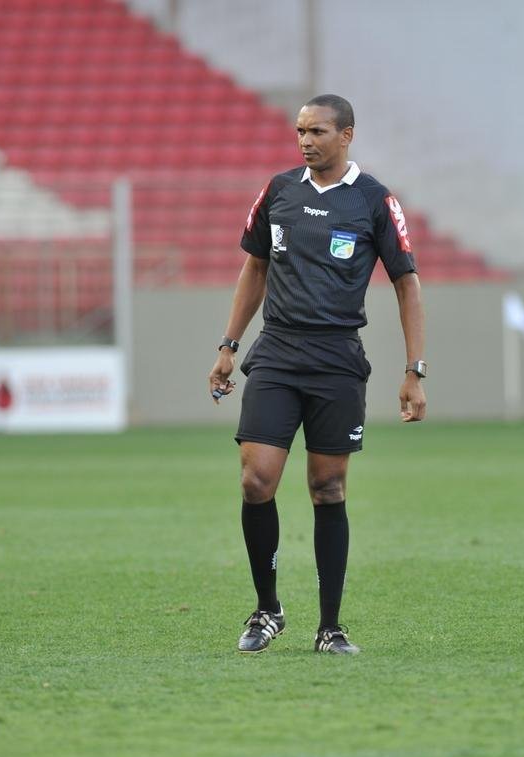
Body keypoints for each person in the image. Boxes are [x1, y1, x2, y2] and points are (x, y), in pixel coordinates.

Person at [207, 94, 428, 656]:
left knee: (327, 488)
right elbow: (255, 266)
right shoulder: (278, 191)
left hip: (336, 360)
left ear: (347, 135)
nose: (305, 141)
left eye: (318, 132)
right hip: (277, 353)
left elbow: (407, 283)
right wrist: (229, 346)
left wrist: (413, 370)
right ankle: (268, 609)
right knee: (257, 479)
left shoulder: (374, 201)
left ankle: (330, 627)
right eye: (300, 131)